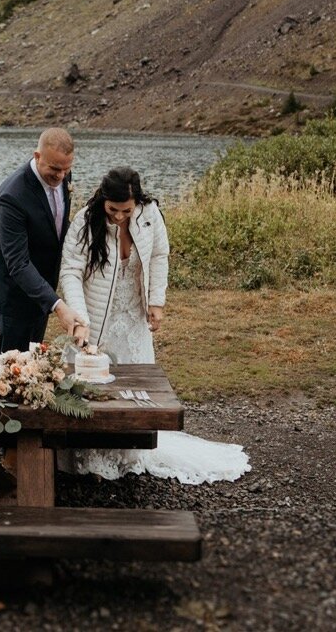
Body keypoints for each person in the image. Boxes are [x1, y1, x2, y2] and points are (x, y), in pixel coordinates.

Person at [58, 166, 248, 483]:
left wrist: (156, 302)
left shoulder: (150, 216)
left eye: (126, 210)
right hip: (95, 318)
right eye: (112, 210)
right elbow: (71, 272)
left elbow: (160, 256)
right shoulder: (84, 221)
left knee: (133, 389)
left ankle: (128, 454)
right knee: (90, 387)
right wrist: (79, 317)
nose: (119, 216)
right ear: (103, 200)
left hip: (133, 316)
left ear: (137, 203)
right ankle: (85, 453)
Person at [0, 127, 89, 355]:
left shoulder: (61, 173)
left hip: (44, 287)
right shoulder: (12, 197)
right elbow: (18, 263)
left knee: (33, 357)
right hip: (13, 294)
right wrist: (58, 305)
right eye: (54, 169)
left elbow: (57, 225)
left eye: (66, 169)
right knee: (12, 364)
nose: (61, 176)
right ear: (37, 156)